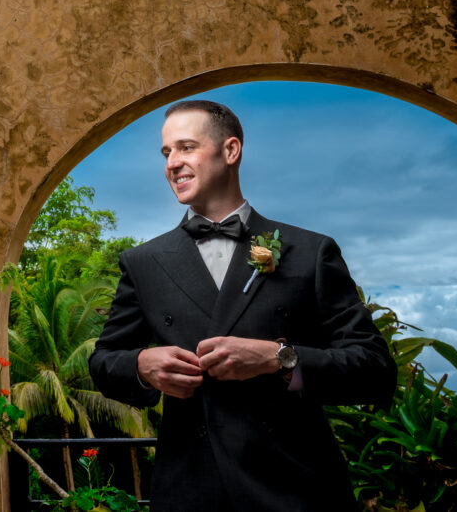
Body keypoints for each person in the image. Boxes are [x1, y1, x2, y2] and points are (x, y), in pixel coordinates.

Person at [88, 99, 394, 512]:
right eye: (166, 153)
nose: (172, 163)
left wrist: (279, 358)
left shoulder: (309, 251)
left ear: (230, 151)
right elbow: (104, 361)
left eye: (186, 147)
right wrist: (141, 366)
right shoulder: (143, 262)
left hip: (297, 488)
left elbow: (375, 370)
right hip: (190, 489)